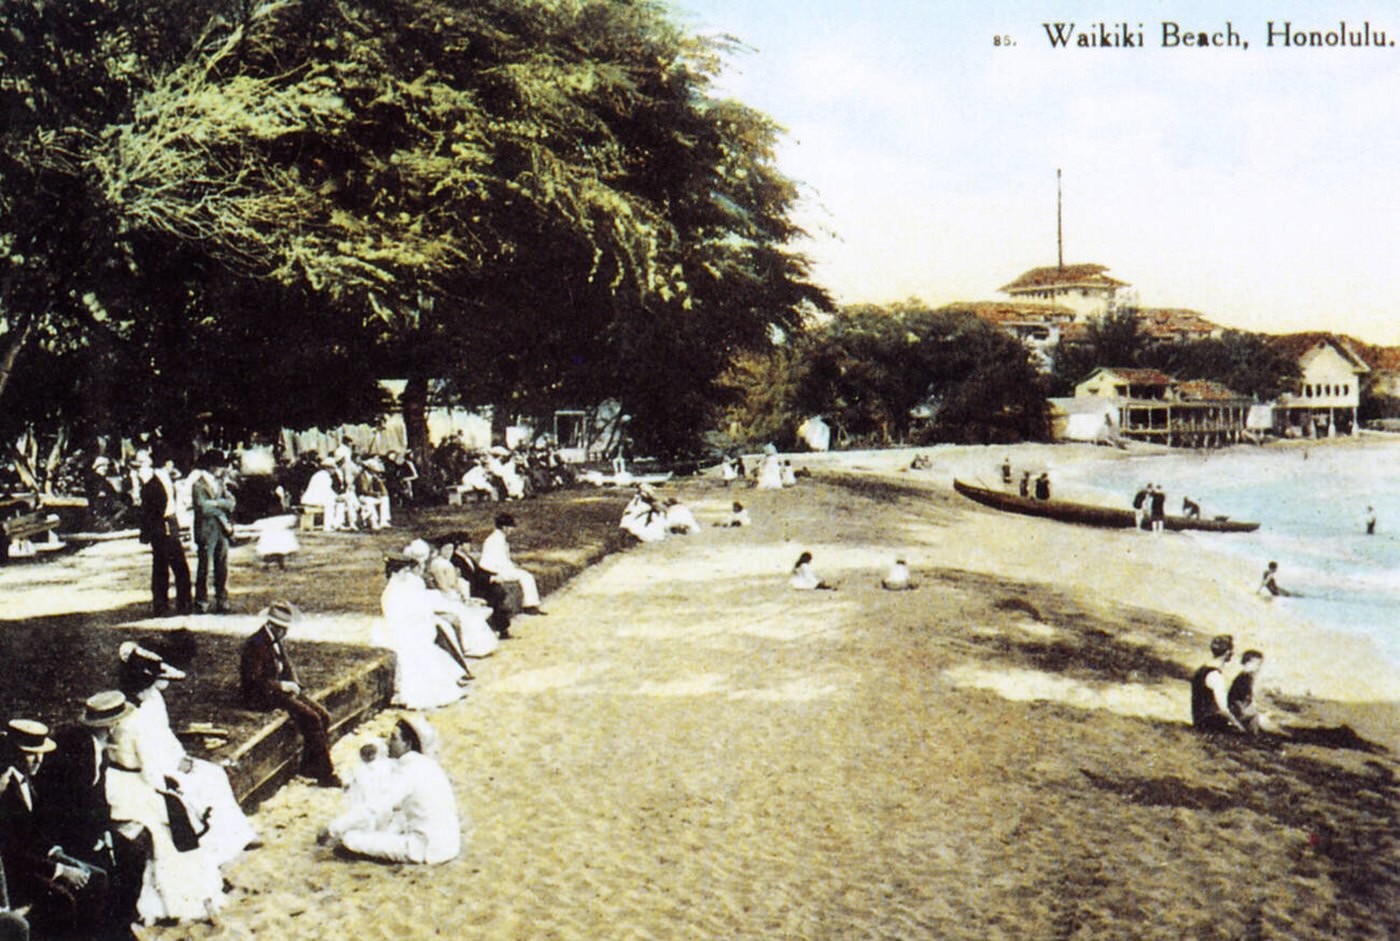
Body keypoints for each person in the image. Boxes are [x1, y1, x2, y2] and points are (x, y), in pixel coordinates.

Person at [116, 643, 258, 869]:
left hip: (165, 759)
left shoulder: (153, 700)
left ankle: (238, 836)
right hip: (147, 771)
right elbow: (145, 758)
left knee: (214, 774)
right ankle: (214, 854)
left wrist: (181, 757)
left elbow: (165, 734)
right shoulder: (131, 713)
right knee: (194, 790)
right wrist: (172, 768)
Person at [39, 691, 152, 936]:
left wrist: (104, 832)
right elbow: (73, 805)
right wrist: (96, 840)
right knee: (110, 867)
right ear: (111, 725)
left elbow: (96, 799)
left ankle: (123, 920)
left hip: (85, 826)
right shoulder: (82, 751)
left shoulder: (91, 744)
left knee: (133, 852)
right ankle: (113, 928)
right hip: (62, 834)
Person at [1, 719, 115, 938]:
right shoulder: (5, 788)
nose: (38, 760)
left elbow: (34, 833)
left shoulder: (28, 781)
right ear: (13, 753)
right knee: (61, 899)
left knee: (96, 877)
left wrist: (57, 854)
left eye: (41, 753)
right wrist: (59, 871)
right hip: (16, 871)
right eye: (30, 754)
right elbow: (12, 851)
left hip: (34, 860)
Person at [319, 716, 461, 865]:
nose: (388, 743)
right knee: (390, 821)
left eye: (394, 739)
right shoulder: (425, 763)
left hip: (426, 847)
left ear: (408, 744)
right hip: (448, 842)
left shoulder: (408, 771)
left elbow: (374, 807)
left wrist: (332, 829)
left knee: (350, 838)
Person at [239, 602, 340, 787]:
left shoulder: (276, 641)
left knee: (323, 715)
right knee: (311, 718)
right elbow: (253, 680)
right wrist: (282, 686)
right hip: (262, 695)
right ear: (272, 626)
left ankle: (309, 766)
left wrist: (294, 683)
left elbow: (286, 665)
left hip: (279, 691)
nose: (285, 633)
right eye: (282, 629)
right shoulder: (256, 644)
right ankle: (325, 774)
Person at [374, 541, 475, 710]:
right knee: (419, 653)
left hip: (411, 628)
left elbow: (417, 609)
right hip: (399, 632)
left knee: (430, 650)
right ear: (396, 571)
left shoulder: (404, 586)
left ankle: (447, 687)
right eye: (404, 570)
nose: (408, 573)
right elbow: (398, 618)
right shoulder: (392, 591)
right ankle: (429, 693)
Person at [136, 449, 192, 617]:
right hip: (162, 525)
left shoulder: (156, 480)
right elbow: (152, 511)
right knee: (179, 567)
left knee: (161, 567)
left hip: (166, 524)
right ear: (167, 463)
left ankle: (161, 605)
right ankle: (182, 604)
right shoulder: (155, 483)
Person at [190, 450, 235, 614]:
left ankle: (222, 599)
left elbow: (232, 502)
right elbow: (202, 508)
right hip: (207, 530)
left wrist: (215, 503)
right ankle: (201, 601)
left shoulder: (220, 484)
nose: (221, 469)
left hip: (221, 530)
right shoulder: (198, 485)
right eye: (219, 466)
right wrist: (220, 506)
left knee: (222, 566)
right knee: (205, 567)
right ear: (211, 467)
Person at [481, 513, 545, 615]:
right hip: (494, 571)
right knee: (526, 576)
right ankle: (530, 605)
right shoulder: (495, 540)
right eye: (510, 527)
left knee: (524, 574)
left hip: (496, 568)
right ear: (504, 527)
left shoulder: (497, 538)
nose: (512, 530)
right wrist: (513, 568)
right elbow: (500, 560)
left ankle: (530, 605)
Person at [1190, 634, 1248, 734]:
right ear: (1228, 653)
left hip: (1198, 721)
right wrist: (1239, 727)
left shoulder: (1201, 670)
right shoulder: (1216, 676)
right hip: (1211, 727)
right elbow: (1223, 709)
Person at [1227, 650, 1281, 736]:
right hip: (1238, 710)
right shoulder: (1244, 678)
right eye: (1257, 664)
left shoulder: (1246, 677)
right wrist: (1254, 712)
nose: (1259, 668)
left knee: (1266, 719)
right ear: (1248, 663)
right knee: (1264, 720)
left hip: (1240, 709)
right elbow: (1239, 701)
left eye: (1260, 665)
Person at [300, 459, 344, 532]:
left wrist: (337, 497)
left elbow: (327, 491)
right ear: (327, 468)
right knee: (330, 503)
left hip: (316, 497)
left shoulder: (322, 475)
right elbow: (325, 491)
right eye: (332, 468)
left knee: (339, 503)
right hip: (312, 498)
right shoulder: (323, 476)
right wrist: (336, 497)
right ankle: (327, 526)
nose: (334, 470)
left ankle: (336, 524)